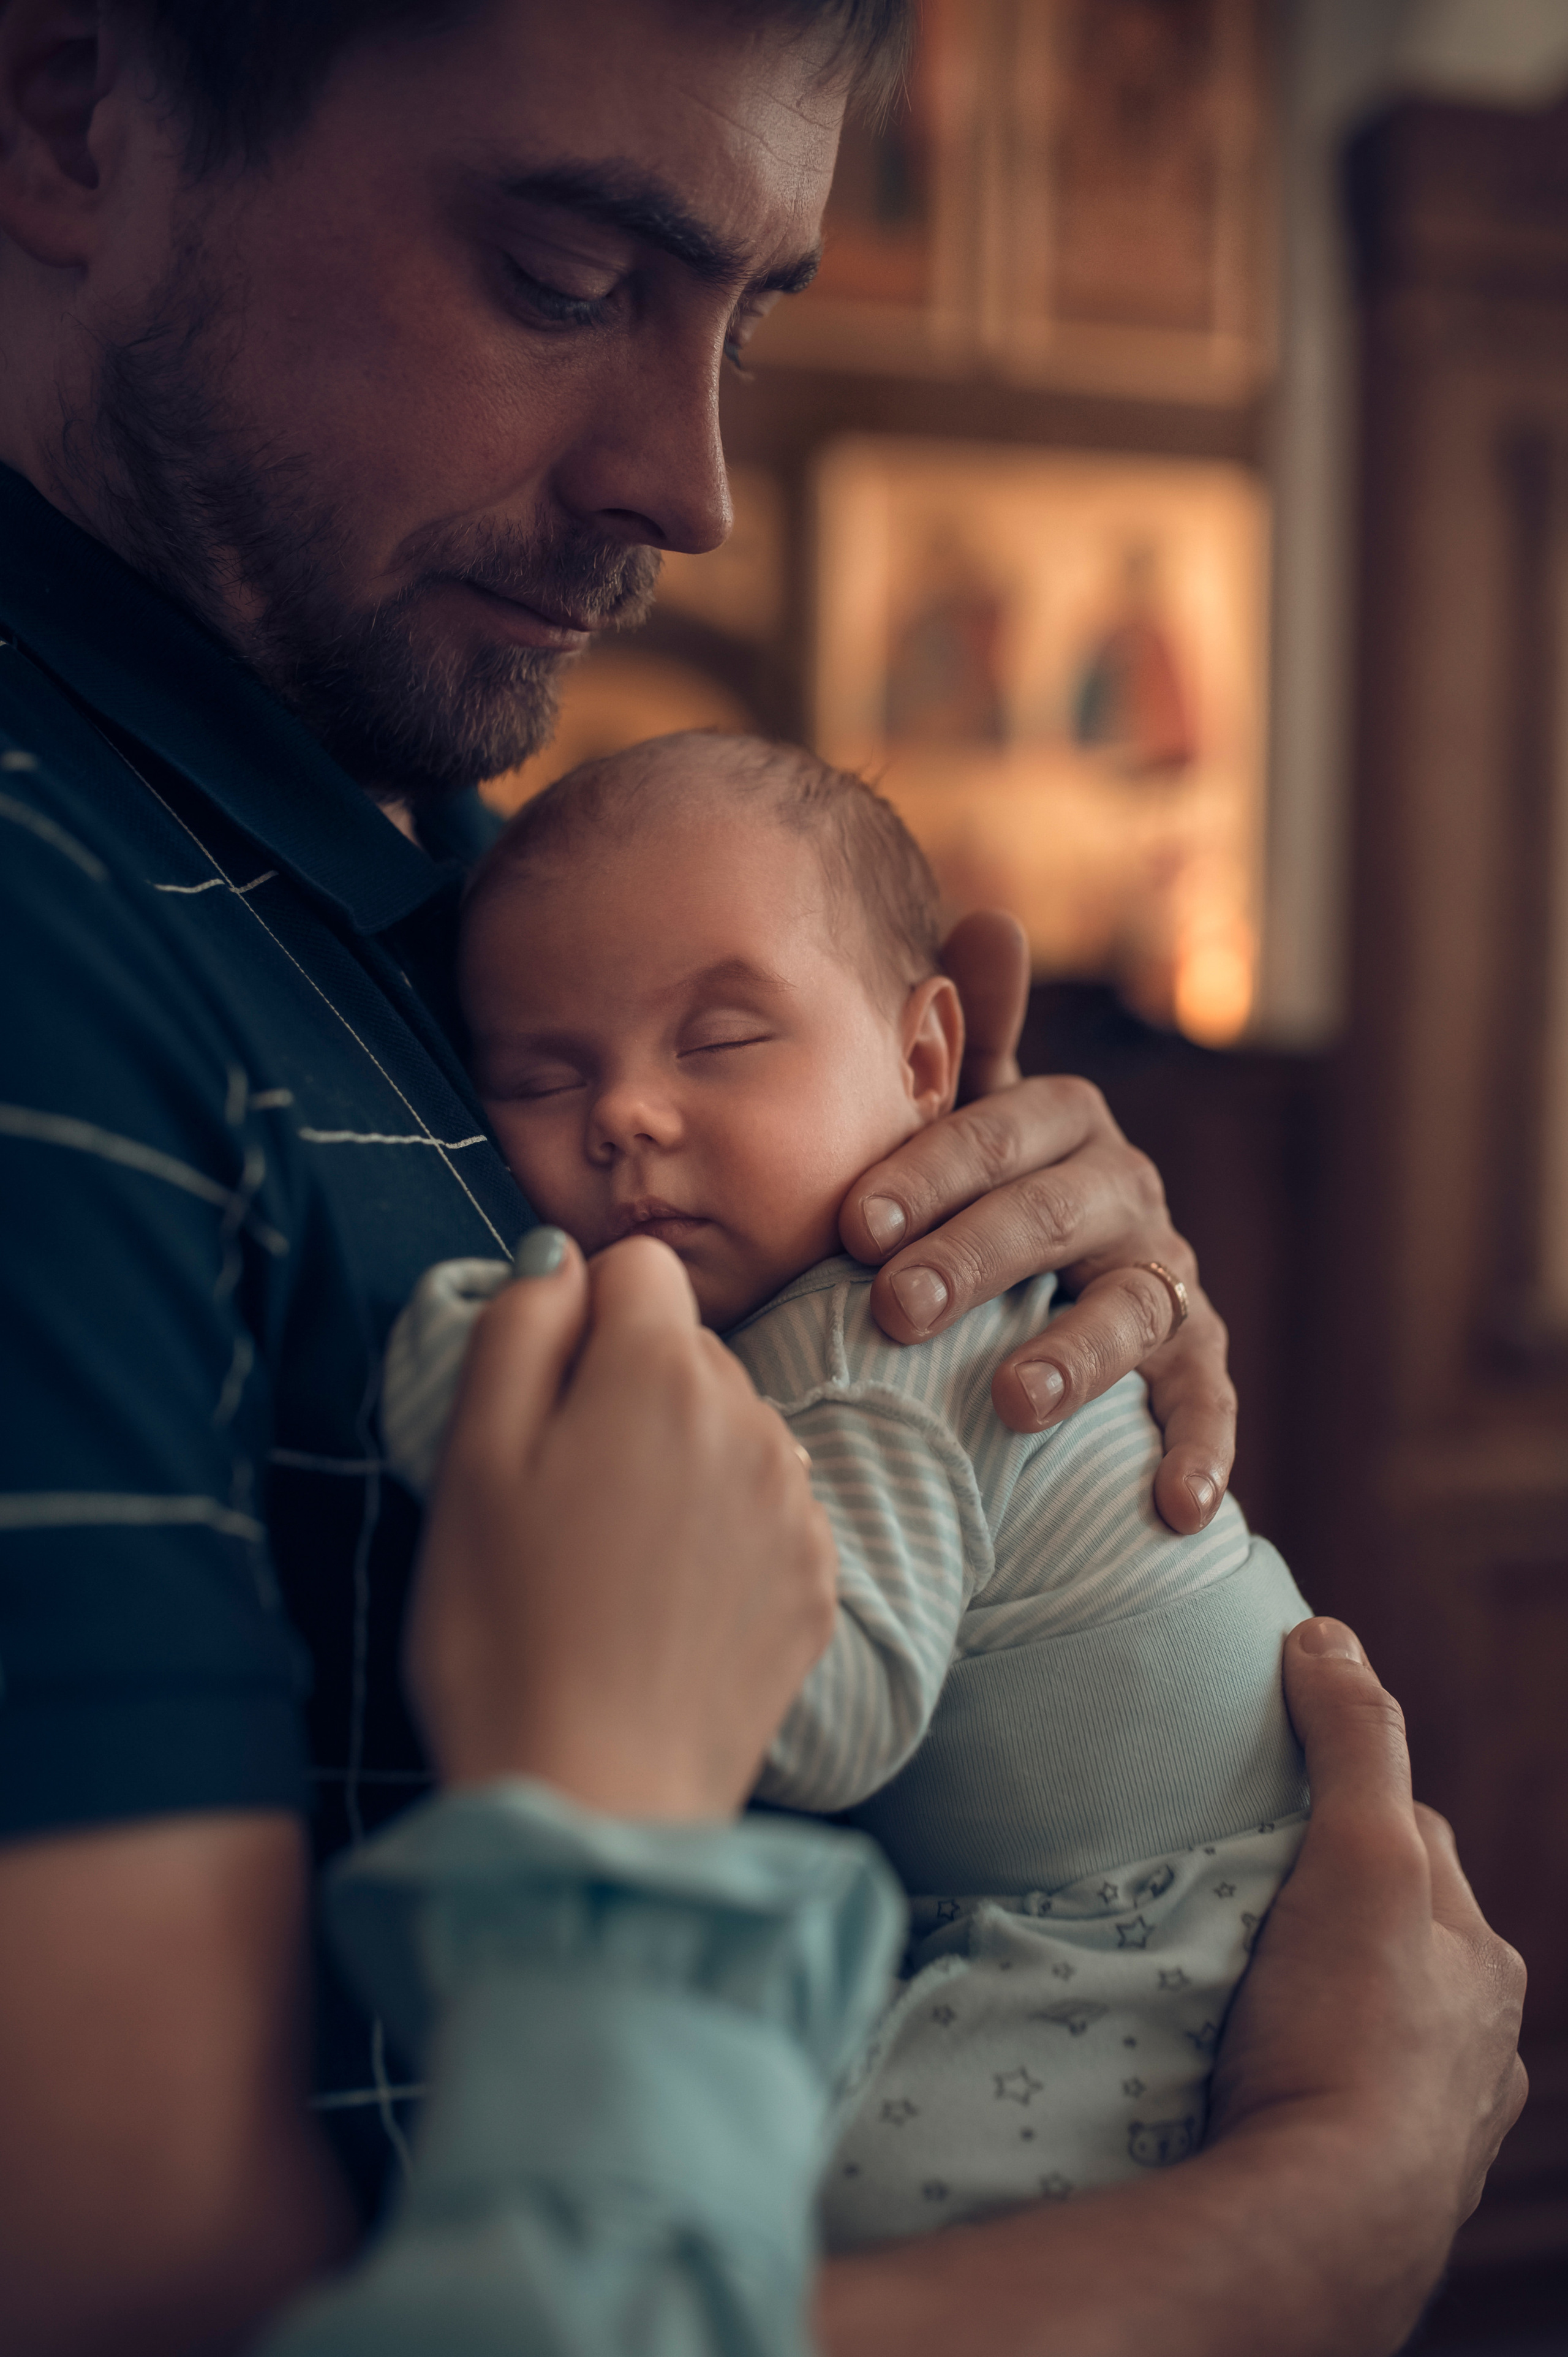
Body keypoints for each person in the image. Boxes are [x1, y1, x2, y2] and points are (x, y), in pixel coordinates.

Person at [0, 4, 1523, 2355]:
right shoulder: (48, 921)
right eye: (568, 274)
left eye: (749, 314)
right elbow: (148, 2306)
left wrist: (988, 1276)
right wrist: (1318, 2212)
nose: (691, 481)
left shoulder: (452, 887)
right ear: (76, 115)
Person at [380, 731, 1316, 2246]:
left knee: (811, 2219)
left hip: (1141, 1942)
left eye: (720, 1040)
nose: (623, 1114)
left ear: (927, 1058)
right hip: (1142, 1896)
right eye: (544, 1076)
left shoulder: (879, 1331)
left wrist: (481, 1383)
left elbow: (837, 1708)